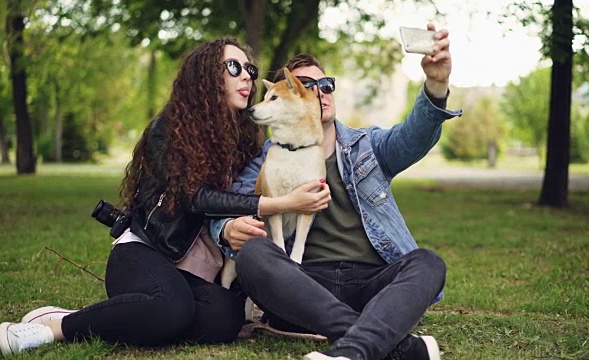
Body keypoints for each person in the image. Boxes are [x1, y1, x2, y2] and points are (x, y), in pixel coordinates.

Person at [0, 36, 330, 357]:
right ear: (207, 76)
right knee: (170, 309)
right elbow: (196, 198)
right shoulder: (169, 129)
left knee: (225, 319)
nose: (247, 75)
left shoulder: (246, 138)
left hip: (196, 270)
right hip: (146, 252)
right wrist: (278, 204)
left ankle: (125, 315)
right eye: (234, 67)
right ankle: (56, 326)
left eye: (250, 70)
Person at [211, 24, 463, 360]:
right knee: (255, 254)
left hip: (373, 284)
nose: (317, 92)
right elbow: (229, 208)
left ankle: (352, 348)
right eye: (304, 87)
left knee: (428, 262)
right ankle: (389, 343)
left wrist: (436, 84)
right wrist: (227, 228)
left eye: (325, 84)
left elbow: (414, 137)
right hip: (301, 286)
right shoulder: (266, 158)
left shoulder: (368, 146)